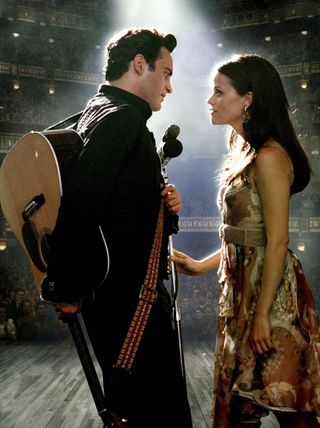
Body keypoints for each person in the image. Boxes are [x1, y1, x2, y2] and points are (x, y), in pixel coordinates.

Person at [41, 28, 193, 428]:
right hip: (131, 301)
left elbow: (118, 206)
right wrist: (67, 287)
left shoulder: (98, 110)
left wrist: (165, 207)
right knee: (158, 415)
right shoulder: (123, 120)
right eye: (166, 72)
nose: (170, 86)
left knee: (133, 409)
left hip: (117, 296)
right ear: (139, 65)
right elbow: (81, 203)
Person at [172, 54, 320, 428]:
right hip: (242, 298)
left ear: (248, 100)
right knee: (239, 410)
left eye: (219, 92)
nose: (210, 100)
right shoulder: (245, 153)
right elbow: (243, 240)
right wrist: (198, 265)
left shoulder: (269, 157)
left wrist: (261, 317)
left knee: (290, 405)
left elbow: (275, 241)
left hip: (271, 302)